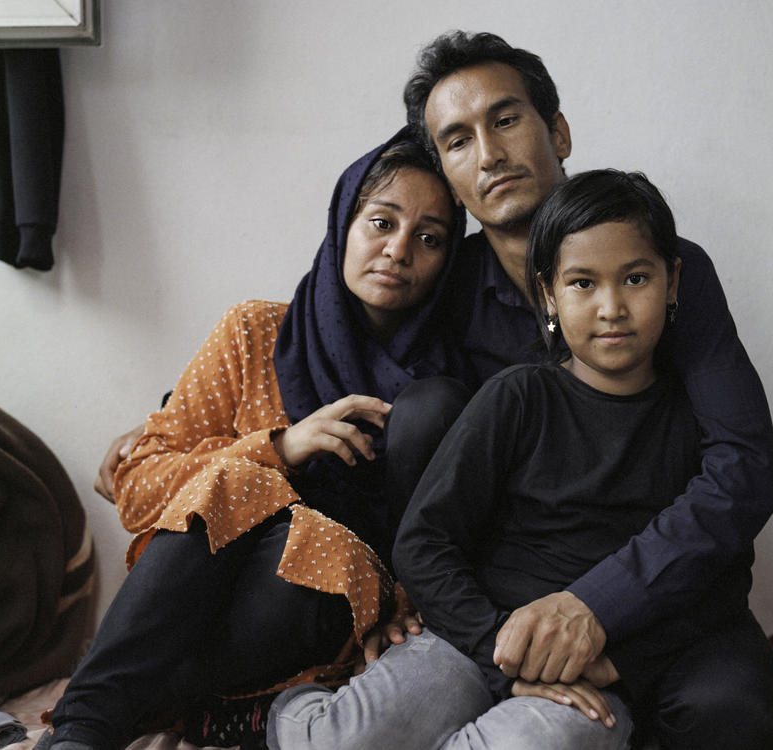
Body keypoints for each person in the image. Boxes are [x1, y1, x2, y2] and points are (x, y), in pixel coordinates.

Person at [266, 30, 773, 750]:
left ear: (558, 130)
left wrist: (596, 608)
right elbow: (347, 378)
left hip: (658, 584)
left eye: (506, 120)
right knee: (422, 413)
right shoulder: (441, 285)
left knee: (730, 717)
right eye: (457, 140)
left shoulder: (669, 271)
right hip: (501, 592)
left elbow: (744, 467)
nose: (489, 154)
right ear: (446, 174)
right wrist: (414, 598)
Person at [37, 130, 471, 750]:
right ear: (342, 223)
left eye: (429, 239)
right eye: (381, 222)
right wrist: (281, 448)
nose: (398, 250)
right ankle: (85, 731)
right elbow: (134, 490)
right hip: (190, 597)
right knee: (243, 480)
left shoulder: (446, 380)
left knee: (317, 541)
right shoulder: (255, 333)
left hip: (323, 610)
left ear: (446, 262)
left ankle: (133, 713)